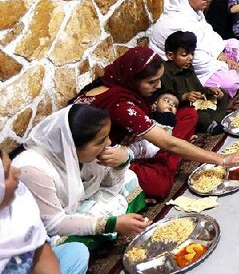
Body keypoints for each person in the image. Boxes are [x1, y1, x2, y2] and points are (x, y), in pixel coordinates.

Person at [74, 48, 239, 200]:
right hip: (110, 158)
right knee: (159, 184)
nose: (158, 86)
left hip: (135, 140)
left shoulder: (113, 82)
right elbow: (167, 142)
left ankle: (172, 153)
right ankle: (172, 156)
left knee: (187, 114)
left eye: (159, 80)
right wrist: (223, 159)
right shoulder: (120, 104)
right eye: (152, 82)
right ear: (132, 79)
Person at [14, 105, 149, 250]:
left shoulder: (83, 155)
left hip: (78, 204)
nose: (109, 143)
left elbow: (109, 185)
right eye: (100, 142)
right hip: (45, 226)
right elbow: (53, 224)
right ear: (71, 146)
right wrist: (111, 224)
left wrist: (121, 162)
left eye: (107, 137)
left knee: (130, 178)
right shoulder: (33, 170)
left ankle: (109, 228)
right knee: (67, 244)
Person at [150, 0, 239, 97]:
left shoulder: (194, 13)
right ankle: (225, 77)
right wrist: (228, 65)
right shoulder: (175, 22)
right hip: (188, 68)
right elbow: (194, 59)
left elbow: (210, 37)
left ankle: (230, 70)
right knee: (230, 82)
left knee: (234, 43)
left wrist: (225, 58)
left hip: (204, 58)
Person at [2, 150, 89, 274]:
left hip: (27, 265)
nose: (16, 172)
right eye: (5, 175)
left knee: (77, 253)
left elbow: (40, 252)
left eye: (10, 165)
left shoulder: (19, 195)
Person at [161, 31, 230, 135]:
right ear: (170, 55)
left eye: (192, 54)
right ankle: (210, 123)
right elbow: (166, 100)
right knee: (197, 114)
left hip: (197, 102)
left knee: (223, 94)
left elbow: (199, 88)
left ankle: (216, 121)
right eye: (185, 55)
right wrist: (184, 97)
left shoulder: (189, 68)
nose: (190, 58)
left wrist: (209, 90)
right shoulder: (165, 72)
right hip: (183, 107)